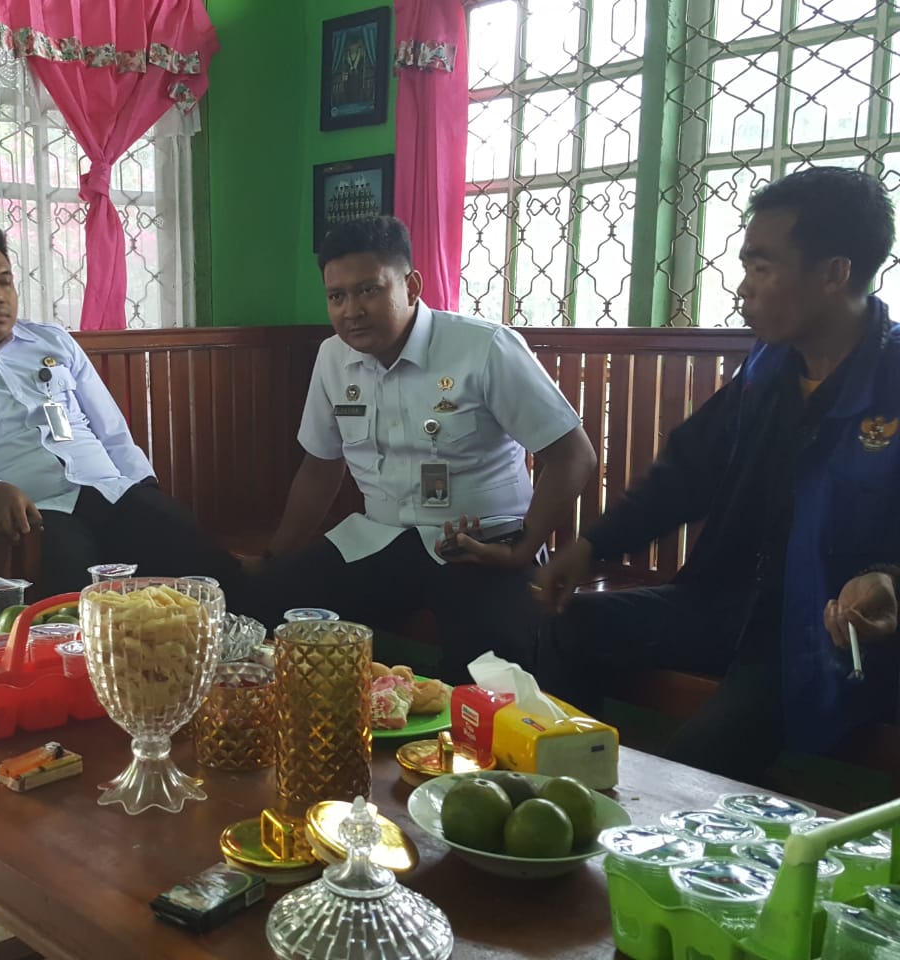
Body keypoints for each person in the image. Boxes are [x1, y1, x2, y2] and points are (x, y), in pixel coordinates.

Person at [534, 167, 900, 782]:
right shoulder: (768, 368)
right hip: (726, 605)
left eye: (761, 267)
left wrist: (889, 581)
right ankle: (572, 789)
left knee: (689, 775)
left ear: (834, 273)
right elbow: (688, 471)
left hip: (819, 638)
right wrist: (592, 545)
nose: (743, 287)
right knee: (568, 626)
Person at [241, 217, 595, 682]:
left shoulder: (484, 348)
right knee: (261, 611)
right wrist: (272, 559)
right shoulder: (333, 358)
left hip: (482, 545)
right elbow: (320, 467)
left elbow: (573, 456)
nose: (351, 310)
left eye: (368, 290)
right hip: (379, 539)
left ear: (411, 286)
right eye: (337, 296)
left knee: (490, 670)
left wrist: (522, 549)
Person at [0, 226, 240, 596]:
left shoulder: (52, 340)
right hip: (38, 512)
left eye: (5, 281)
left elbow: (111, 430)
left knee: (199, 560)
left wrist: (143, 488)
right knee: (73, 580)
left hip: (109, 490)